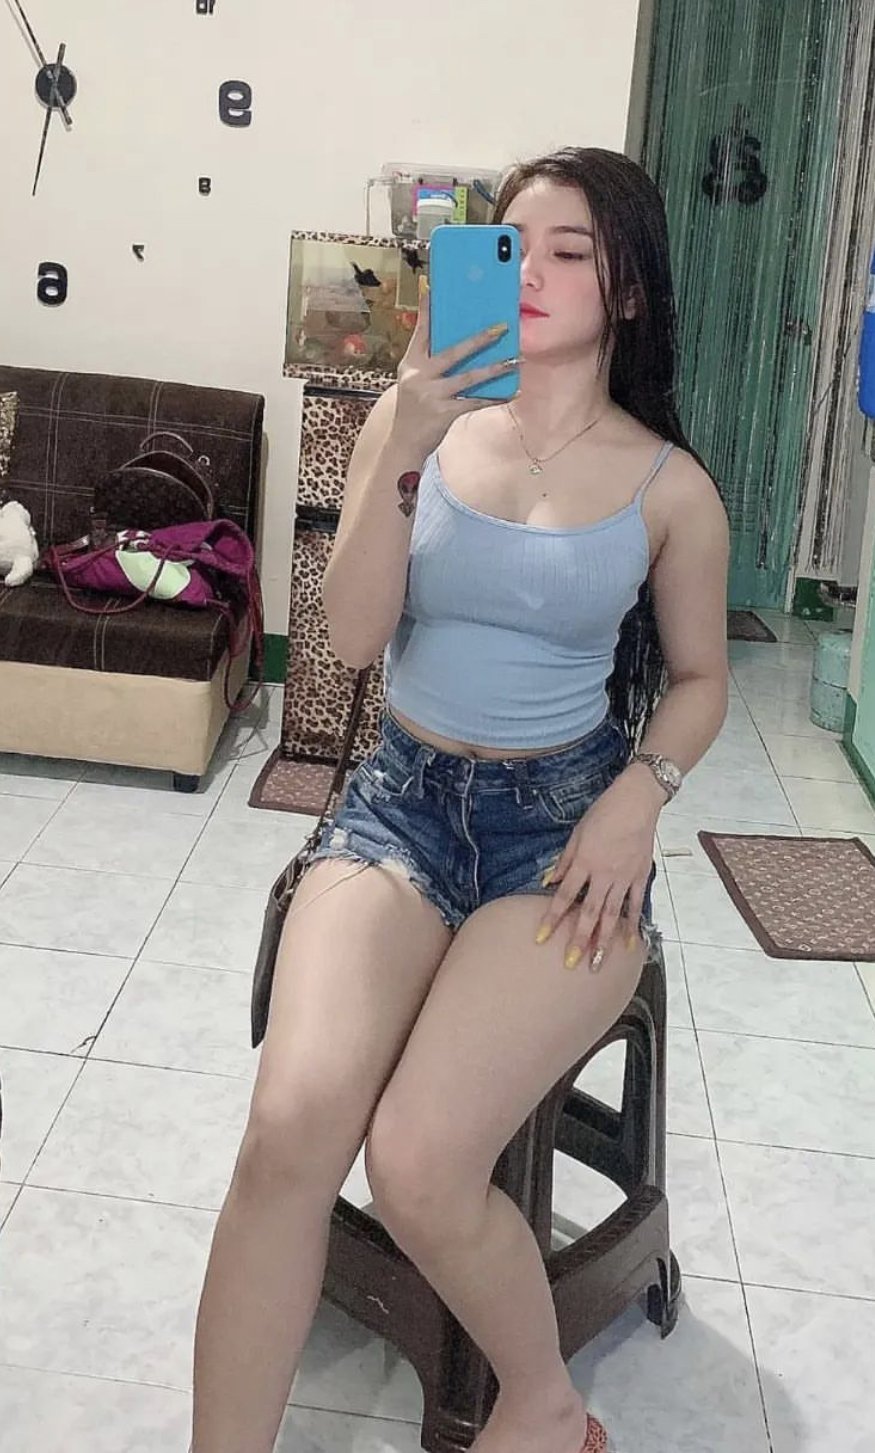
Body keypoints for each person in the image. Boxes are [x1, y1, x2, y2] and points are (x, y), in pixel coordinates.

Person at [191, 147, 730, 1453]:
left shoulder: (670, 487)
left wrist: (640, 794)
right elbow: (352, 636)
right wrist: (404, 438)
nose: (530, 272)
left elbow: (703, 680)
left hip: (564, 834)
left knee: (420, 1162)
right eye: (511, 245)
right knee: (288, 1129)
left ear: (629, 290)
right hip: (401, 809)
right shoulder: (415, 419)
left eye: (569, 252)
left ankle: (544, 1403)